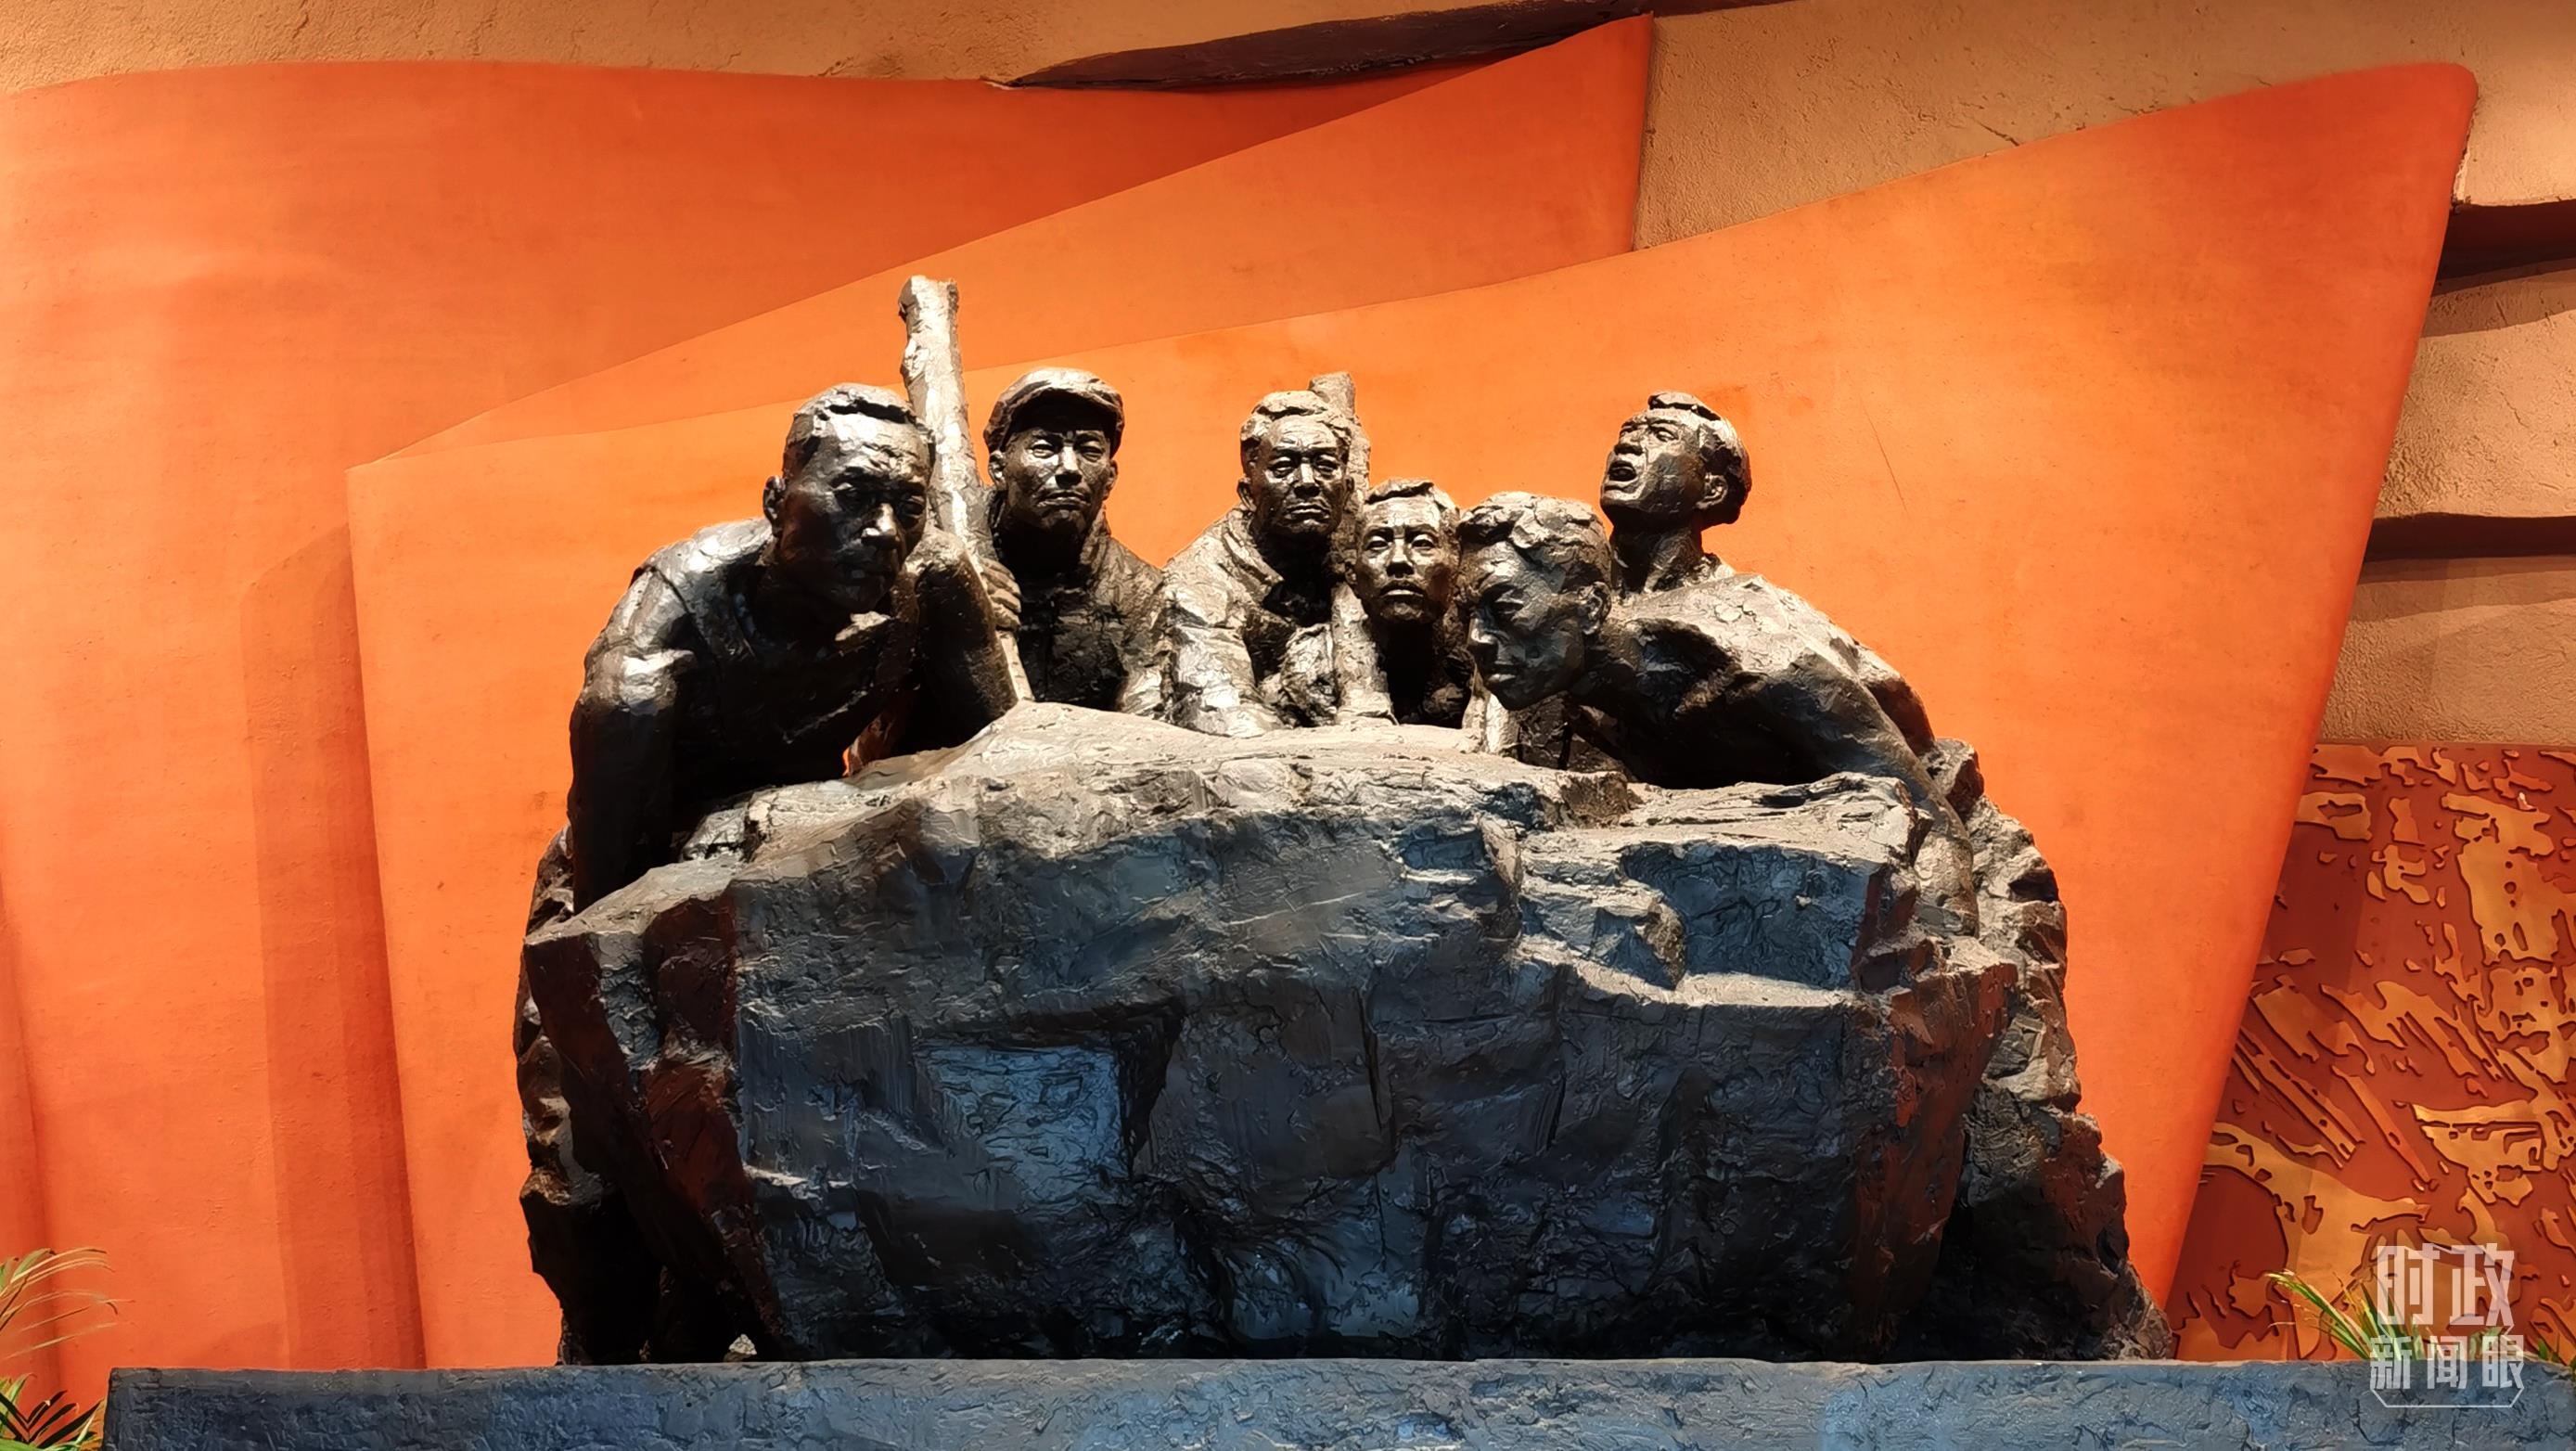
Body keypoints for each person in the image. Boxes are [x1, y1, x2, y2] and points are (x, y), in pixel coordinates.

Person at [517, 382, 1014, 1362]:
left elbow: (1004, 760)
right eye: (853, 497)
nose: (883, 531)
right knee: (589, 1181)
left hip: (805, 871)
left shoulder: (927, 583)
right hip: (637, 873)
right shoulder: (666, 629)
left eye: (907, 506)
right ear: (777, 501)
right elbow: (607, 902)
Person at [1456, 492, 1970, 918]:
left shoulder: (1762, 667)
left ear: (1591, 606)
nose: (1477, 638)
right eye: (1468, 613)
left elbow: (1937, 832)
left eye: (1504, 609)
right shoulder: (1580, 699)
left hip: (1915, 802)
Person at [1596, 392, 1931, 751]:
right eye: (1628, 431)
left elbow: (1887, 721)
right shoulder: (1571, 586)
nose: (1628, 445)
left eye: (1661, 435)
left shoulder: (1756, 614)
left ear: (1712, 489)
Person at [1142, 389, 1358, 735]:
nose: (1307, 483)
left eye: (1325, 466)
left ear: (1347, 488)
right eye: (1283, 467)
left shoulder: (1375, 553)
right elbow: (1225, 711)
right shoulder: (1200, 580)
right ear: (1247, 493)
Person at [972, 367, 1164, 711]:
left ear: (1110, 478)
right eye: (1045, 448)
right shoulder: (946, 557)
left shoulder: (1139, 592)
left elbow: (1148, 715)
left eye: (1089, 450)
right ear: (999, 469)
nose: (1070, 469)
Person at [1337, 478, 1476, 727]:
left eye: (1422, 543)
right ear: (1351, 573)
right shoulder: (1312, 666)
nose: (1398, 560)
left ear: (1457, 566)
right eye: (1378, 544)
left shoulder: (1488, 656)